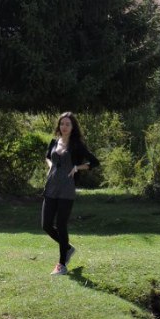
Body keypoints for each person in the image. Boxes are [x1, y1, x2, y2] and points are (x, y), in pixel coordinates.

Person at [41, 112, 99, 276]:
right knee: (45, 225)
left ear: (73, 127)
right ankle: (67, 248)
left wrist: (77, 168)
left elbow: (94, 162)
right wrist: (51, 165)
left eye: (67, 124)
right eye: (62, 124)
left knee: (61, 225)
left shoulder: (76, 146)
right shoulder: (54, 142)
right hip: (51, 186)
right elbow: (47, 157)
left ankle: (61, 265)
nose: (64, 127)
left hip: (66, 189)